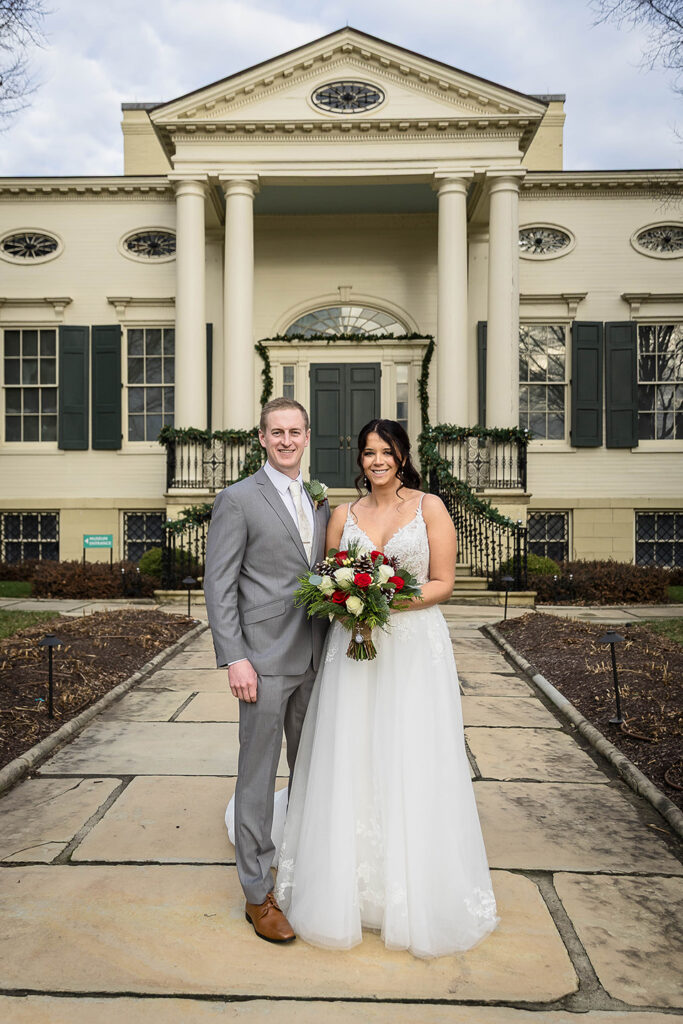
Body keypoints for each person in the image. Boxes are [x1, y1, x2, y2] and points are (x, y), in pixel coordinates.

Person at [274, 418, 498, 959]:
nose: (377, 460)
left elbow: (442, 583)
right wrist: (349, 598)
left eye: (387, 451)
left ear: (403, 456)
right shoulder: (342, 515)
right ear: (360, 459)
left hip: (413, 648)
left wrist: (382, 601)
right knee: (352, 749)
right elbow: (326, 575)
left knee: (412, 751)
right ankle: (346, 884)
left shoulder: (429, 508)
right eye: (368, 452)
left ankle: (415, 884)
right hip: (351, 649)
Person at [204, 397, 330, 944]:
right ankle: (258, 894)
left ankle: (305, 872)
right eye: (276, 432)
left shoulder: (319, 500)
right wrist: (235, 657)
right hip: (261, 660)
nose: (286, 440)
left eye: (294, 431)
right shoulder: (237, 500)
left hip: (315, 657)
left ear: (307, 436)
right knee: (258, 777)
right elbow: (219, 584)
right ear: (261, 438)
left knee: (313, 771)